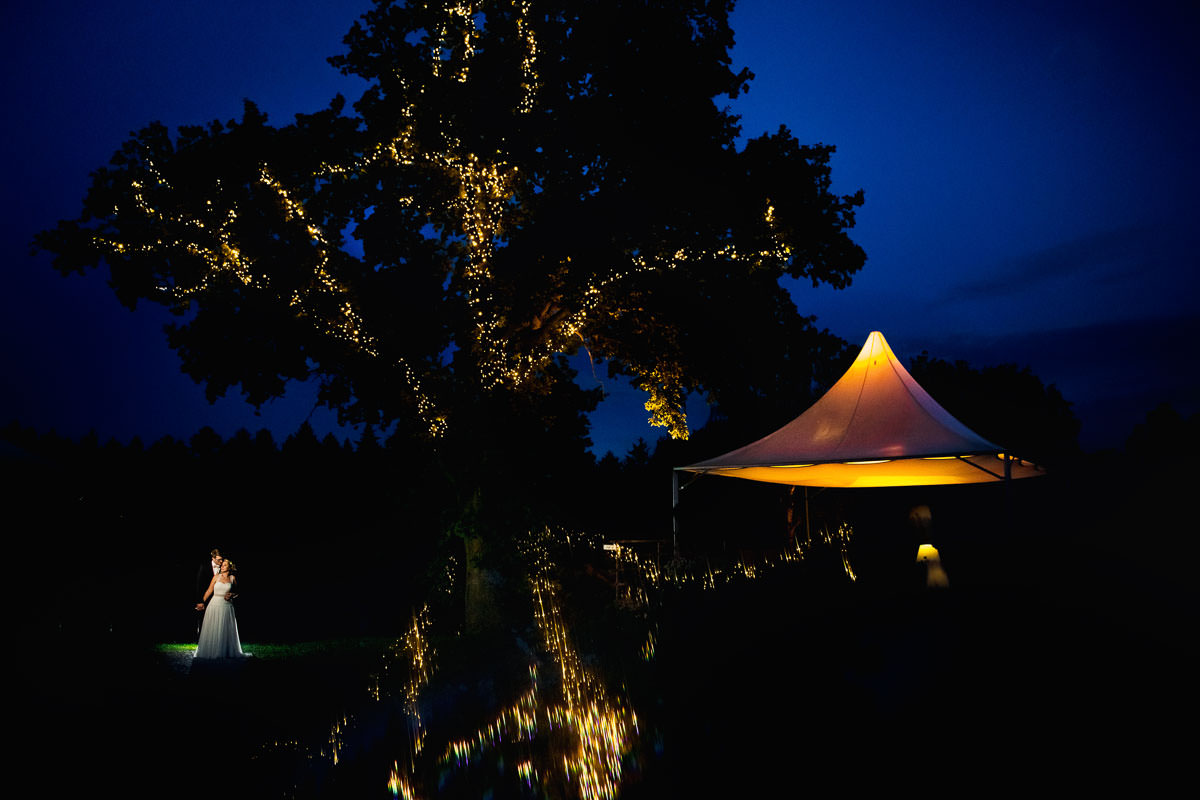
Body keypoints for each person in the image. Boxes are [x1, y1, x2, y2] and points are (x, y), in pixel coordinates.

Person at [195, 558, 245, 659]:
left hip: (227, 606)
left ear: (229, 567)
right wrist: (201, 602)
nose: (222, 566)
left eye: (225, 565)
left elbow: (238, 593)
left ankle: (225, 650)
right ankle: (211, 650)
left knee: (224, 628)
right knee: (213, 627)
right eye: (222, 565)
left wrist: (232, 595)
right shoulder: (216, 577)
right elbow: (209, 591)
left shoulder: (232, 578)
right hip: (214, 605)